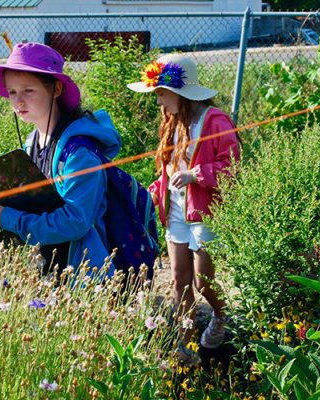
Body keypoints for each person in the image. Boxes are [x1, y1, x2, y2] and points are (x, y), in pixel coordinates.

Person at [127, 54, 240, 364]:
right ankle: (186, 343)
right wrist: (154, 191)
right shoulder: (172, 122)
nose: (158, 99)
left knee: (203, 281)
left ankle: (220, 315)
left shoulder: (214, 120)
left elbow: (233, 168)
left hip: (206, 210)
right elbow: (169, 168)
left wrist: (196, 175)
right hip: (176, 211)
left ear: (181, 91)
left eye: (161, 92)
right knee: (179, 279)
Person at [0, 42, 121, 277]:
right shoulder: (32, 142)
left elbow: (75, 222)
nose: (18, 101)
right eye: (12, 92)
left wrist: (11, 219)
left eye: (28, 90)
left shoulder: (78, 154)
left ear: (55, 89)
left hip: (84, 274)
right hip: (49, 265)